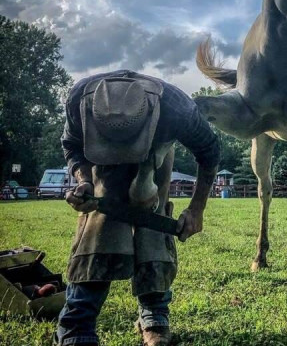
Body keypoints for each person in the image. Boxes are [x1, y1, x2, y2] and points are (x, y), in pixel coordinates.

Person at [55, 70, 220, 346]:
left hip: (156, 157)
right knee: (99, 231)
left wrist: (197, 208)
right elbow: (71, 145)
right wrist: (84, 181)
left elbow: (210, 151)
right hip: (102, 166)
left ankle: (154, 314)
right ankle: (76, 324)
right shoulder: (79, 100)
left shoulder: (175, 109)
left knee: (152, 229)